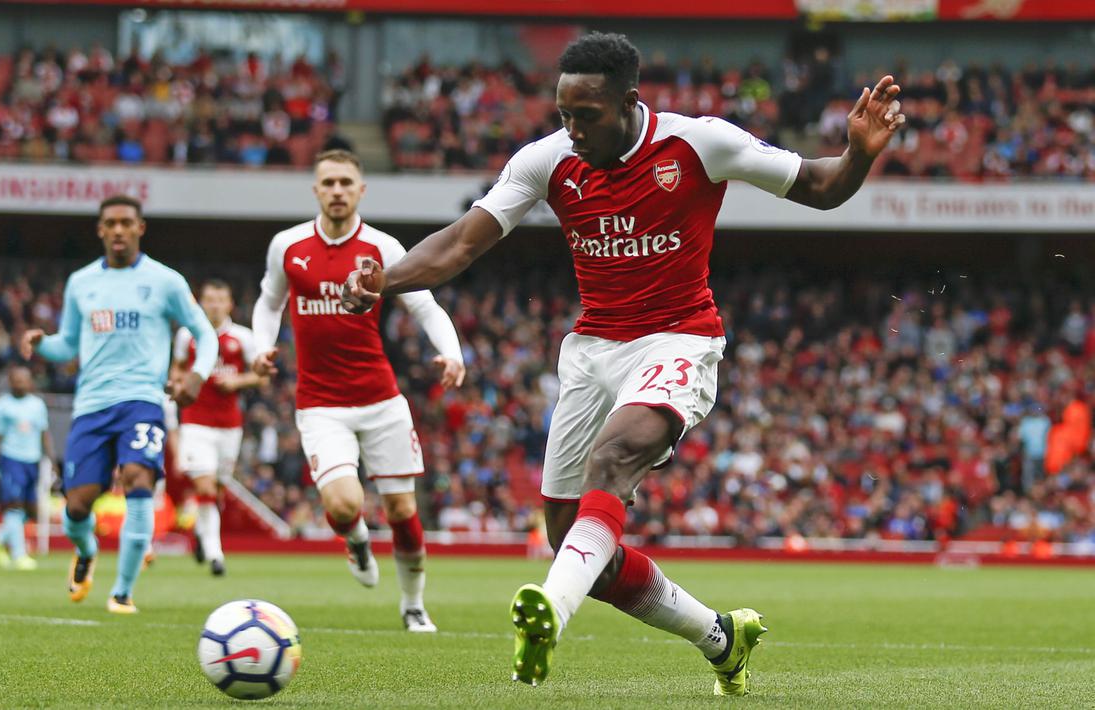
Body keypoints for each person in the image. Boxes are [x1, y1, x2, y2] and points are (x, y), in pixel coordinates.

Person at [342, 33, 905, 693]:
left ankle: (550, 610)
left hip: (678, 342)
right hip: (590, 354)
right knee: (575, 543)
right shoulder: (547, 161)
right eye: (564, 115)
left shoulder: (700, 144)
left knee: (613, 461)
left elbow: (818, 186)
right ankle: (719, 637)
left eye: (587, 115)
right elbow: (462, 243)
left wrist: (857, 156)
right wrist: (386, 278)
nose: (573, 130)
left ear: (629, 103)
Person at [252, 149, 466, 633]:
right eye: (328, 182)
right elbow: (269, 303)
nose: (337, 191)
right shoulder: (288, 246)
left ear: (361, 190)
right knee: (344, 506)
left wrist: (452, 354)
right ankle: (355, 540)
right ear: (316, 190)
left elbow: (426, 306)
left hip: (381, 400)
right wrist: (261, 347)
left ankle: (413, 604)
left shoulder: (383, 249)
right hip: (320, 404)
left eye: (346, 182)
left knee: (403, 509)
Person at [21, 194, 217, 614]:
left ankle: (123, 592)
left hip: (143, 401)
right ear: (100, 230)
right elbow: (69, 343)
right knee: (76, 506)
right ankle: (86, 550)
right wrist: (44, 345)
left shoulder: (166, 281)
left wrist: (198, 376)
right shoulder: (82, 282)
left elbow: (206, 332)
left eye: (127, 222)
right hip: (91, 405)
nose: (118, 230)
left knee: (138, 481)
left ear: (140, 228)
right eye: (110, 223)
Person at [172, 279, 265, 576]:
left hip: (229, 427)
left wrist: (237, 381)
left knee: (219, 488)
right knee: (205, 486)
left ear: (230, 304)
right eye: (209, 299)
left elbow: (261, 377)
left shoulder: (243, 338)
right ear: (201, 302)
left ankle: (202, 535)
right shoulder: (188, 335)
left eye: (220, 300)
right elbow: (177, 369)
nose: (214, 305)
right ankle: (215, 553)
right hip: (195, 422)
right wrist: (178, 383)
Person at [0, 366, 52, 570]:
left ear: (30, 381)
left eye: (24, 379)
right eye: (16, 380)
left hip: (33, 460)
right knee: (14, 504)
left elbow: (43, 433)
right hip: (11, 458)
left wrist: (50, 459)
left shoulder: (38, 405)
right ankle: (19, 555)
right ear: (10, 382)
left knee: (30, 508)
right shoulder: (2, 406)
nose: (20, 383)